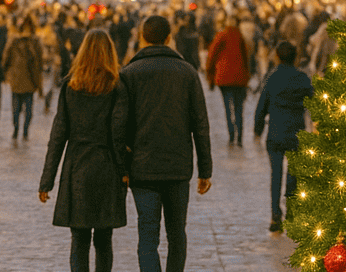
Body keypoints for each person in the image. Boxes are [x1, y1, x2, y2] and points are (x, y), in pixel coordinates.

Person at [112, 15, 212, 272]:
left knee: (147, 236)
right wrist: (205, 169)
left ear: (142, 37)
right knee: (177, 234)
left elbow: (119, 126)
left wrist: (122, 168)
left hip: (142, 166)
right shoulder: (187, 72)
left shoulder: (129, 74)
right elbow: (200, 124)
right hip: (178, 166)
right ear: (169, 38)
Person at [40, 30, 128, 272]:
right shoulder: (116, 86)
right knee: (103, 240)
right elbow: (118, 134)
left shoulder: (71, 86)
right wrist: (125, 171)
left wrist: (47, 181)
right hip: (106, 166)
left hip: (76, 167)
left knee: (79, 240)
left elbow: (58, 135)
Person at [254, 41, 315, 232]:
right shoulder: (302, 78)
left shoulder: (272, 77)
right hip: (296, 132)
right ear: (295, 57)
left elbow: (262, 104)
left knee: (276, 175)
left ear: (278, 56)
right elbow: (313, 103)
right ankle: (291, 209)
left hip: (275, 132)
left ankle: (275, 215)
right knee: (293, 175)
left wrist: (257, 129)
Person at [205, 17, 251, 146]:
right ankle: (240, 136)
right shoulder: (239, 36)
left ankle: (231, 134)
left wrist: (210, 76)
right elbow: (245, 57)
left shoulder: (221, 35)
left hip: (224, 78)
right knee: (239, 108)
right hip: (239, 78)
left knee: (227, 107)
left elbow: (212, 56)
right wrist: (247, 76)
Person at [5, 17, 46, 141]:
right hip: (29, 79)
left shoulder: (14, 41)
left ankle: (18, 129)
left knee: (17, 109)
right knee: (27, 109)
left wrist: (7, 72)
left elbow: (6, 58)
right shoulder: (34, 42)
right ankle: (24, 131)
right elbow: (39, 62)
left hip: (18, 79)